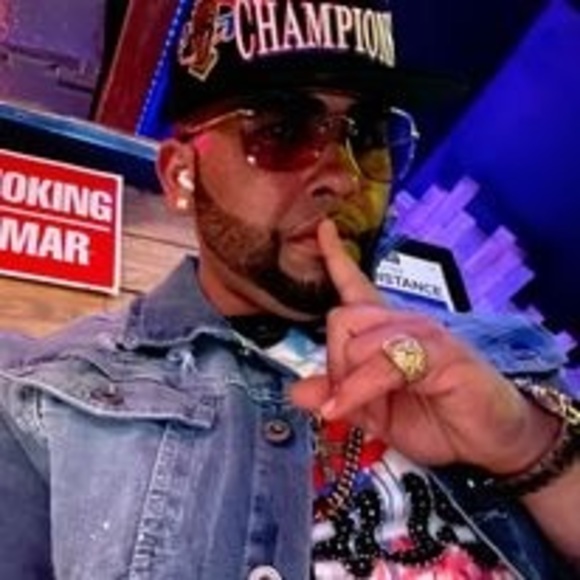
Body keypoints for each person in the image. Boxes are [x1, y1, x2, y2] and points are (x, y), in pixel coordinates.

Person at [1, 0, 579, 578]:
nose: (344, 177)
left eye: (368, 134)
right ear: (181, 174)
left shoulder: (505, 359)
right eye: (281, 131)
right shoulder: (41, 400)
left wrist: (524, 444)